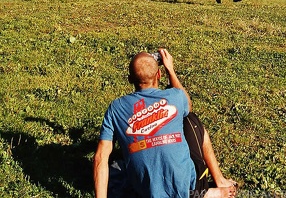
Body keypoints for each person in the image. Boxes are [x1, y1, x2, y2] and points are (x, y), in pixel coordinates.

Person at [93, 48, 237, 198]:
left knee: (117, 167)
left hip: (145, 192)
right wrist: (171, 70)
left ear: (130, 79)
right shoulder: (175, 96)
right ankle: (211, 188)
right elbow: (188, 105)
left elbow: (100, 157)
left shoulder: (116, 108)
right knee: (191, 120)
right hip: (187, 186)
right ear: (159, 74)